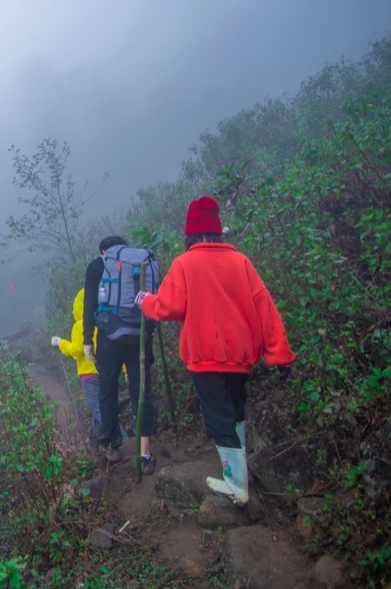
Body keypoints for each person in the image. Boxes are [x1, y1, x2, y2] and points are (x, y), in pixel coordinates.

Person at [135, 196, 296, 507]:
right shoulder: (242, 262)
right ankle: (240, 473)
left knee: (218, 418)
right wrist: (279, 355)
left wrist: (145, 301)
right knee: (234, 411)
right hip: (241, 355)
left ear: (190, 234)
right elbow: (265, 308)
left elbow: (168, 306)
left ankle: (237, 485)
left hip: (204, 358)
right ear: (218, 231)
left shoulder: (184, 264)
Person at [83, 236, 158, 472]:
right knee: (141, 390)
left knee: (107, 388)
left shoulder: (98, 265)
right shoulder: (142, 262)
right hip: (140, 336)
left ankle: (111, 446)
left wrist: (87, 340)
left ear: (104, 250)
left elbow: (89, 305)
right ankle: (144, 454)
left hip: (109, 337)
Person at [51, 289, 129, 447]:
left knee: (100, 410)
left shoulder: (81, 326)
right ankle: (103, 444)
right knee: (104, 408)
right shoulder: (106, 321)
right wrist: (126, 370)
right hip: (108, 372)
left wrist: (60, 343)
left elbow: (77, 350)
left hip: (89, 375)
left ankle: (124, 441)